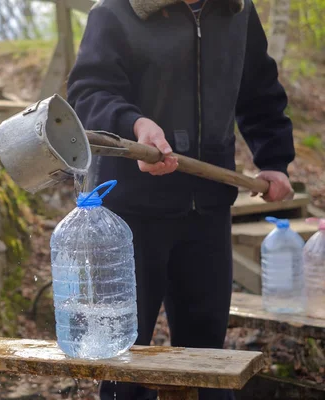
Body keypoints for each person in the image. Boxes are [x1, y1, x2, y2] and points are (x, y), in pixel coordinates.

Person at [66, 0, 295, 399]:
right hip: (131, 212)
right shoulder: (115, 11)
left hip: (208, 209)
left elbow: (259, 89)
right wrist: (133, 124)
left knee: (206, 359)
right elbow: (89, 93)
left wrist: (274, 160)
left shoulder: (237, 12)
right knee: (124, 359)